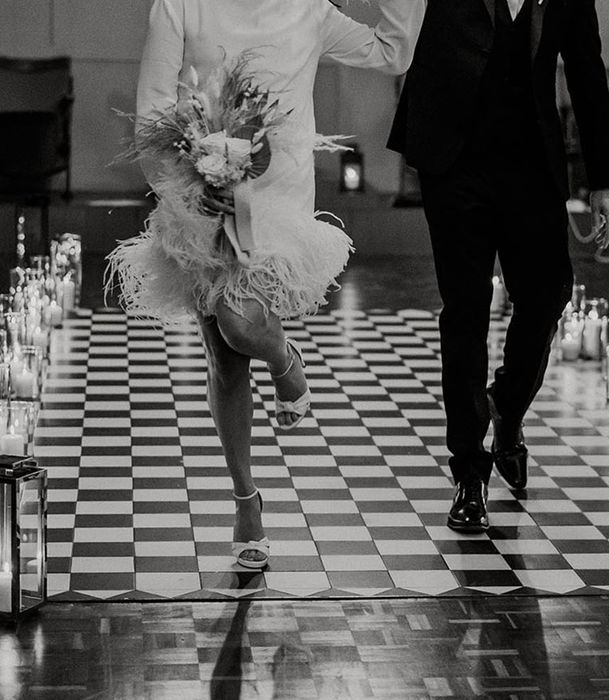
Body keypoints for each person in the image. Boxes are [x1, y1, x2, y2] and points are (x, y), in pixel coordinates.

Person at [113, 0, 425, 569]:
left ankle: (284, 360)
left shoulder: (307, 9)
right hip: (198, 200)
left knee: (240, 325)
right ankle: (245, 501)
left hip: (277, 207)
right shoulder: (179, 7)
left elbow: (392, 50)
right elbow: (152, 112)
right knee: (223, 359)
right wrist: (182, 187)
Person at [388, 0, 609, 532]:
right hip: (455, 161)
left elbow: (586, 67)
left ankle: (507, 409)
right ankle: (469, 473)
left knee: (548, 294)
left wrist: (603, 181)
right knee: (465, 312)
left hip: (532, 163)